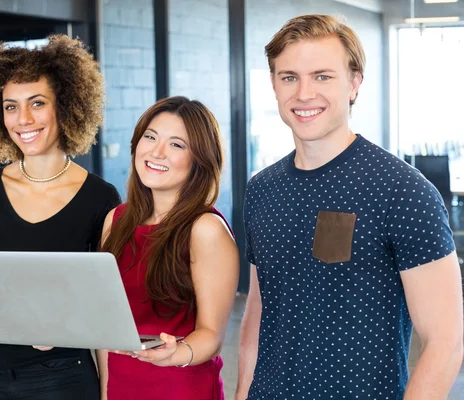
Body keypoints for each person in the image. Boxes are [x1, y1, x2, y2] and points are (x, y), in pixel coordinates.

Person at [236, 14, 463, 400]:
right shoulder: (262, 190)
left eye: (322, 76)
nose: (304, 93)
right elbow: (258, 315)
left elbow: (445, 340)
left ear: (355, 83)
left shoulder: (403, 191)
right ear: (273, 84)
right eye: (289, 77)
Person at [0, 34, 121, 400]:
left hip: (64, 380)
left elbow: (105, 307)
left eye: (37, 103)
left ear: (67, 106)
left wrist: (109, 393)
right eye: (11, 107)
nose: (23, 119)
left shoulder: (100, 197)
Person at [98, 96, 240, 399]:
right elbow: (105, 326)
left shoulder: (205, 229)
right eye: (150, 137)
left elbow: (211, 335)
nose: (157, 152)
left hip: (180, 385)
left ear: (199, 159)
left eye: (177, 145)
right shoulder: (116, 220)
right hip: (121, 384)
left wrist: (176, 354)